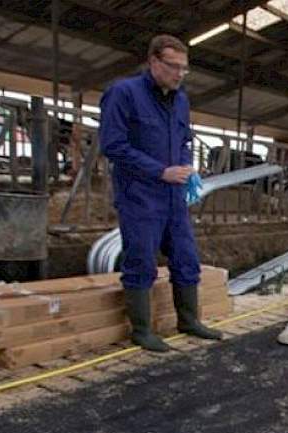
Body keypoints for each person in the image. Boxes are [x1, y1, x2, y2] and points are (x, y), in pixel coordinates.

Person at [99, 34, 222, 352]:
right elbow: (113, 145)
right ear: (154, 62)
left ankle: (189, 320)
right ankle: (141, 330)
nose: (180, 74)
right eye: (173, 67)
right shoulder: (123, 93)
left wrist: (186, 167)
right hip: (139, 194)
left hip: (173, 195)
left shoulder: (180, 99)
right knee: (140, 260)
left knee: (186, 256)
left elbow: (183, 140)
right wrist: (159, 171)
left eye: (184, 68)